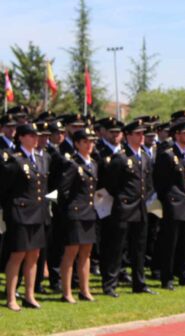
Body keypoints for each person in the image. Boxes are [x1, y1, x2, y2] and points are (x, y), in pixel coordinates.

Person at [101, 119, 157, 297]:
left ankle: (139, 283)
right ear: (128, 136)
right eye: (137, 134)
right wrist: (123, 199)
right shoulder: (121, 157)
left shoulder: (145, 156)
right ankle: (110, 284)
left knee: (139, 248)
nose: (141, 137)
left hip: (140, 207)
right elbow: (111, 185)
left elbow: (148, 183)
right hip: (124, 208)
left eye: (143, 133)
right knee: (117, 248)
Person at [0, 123, 51, 311]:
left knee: (34, 254)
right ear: (20, 137)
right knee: (17, 254)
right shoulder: (14, 160)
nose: (35, 138)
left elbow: (44, 187)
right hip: (20, 213)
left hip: (38, 212)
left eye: (36, 135)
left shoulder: (41, 158)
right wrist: (10, 209)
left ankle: (30, 295)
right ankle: (11, 296)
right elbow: (4, 189)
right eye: (30, 135)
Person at [154, 117, 185, 290]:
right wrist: (168, 201)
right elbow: (160, 183)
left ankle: (184, 275)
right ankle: (167, 277)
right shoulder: (168, 155)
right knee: (170, 243)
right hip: (173, 204)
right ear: (177, 134)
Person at [57, 128, 99, 303]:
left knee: (86, 252)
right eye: (85, 142)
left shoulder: (93, 164)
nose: (89, 145)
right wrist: (69, 210)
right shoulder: (73, 164)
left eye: (91, 141)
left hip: (89, 212)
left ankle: (85, 290)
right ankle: (67, 292)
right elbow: (63, 190)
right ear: (77, 144)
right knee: (71, 252)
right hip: (75, 213)